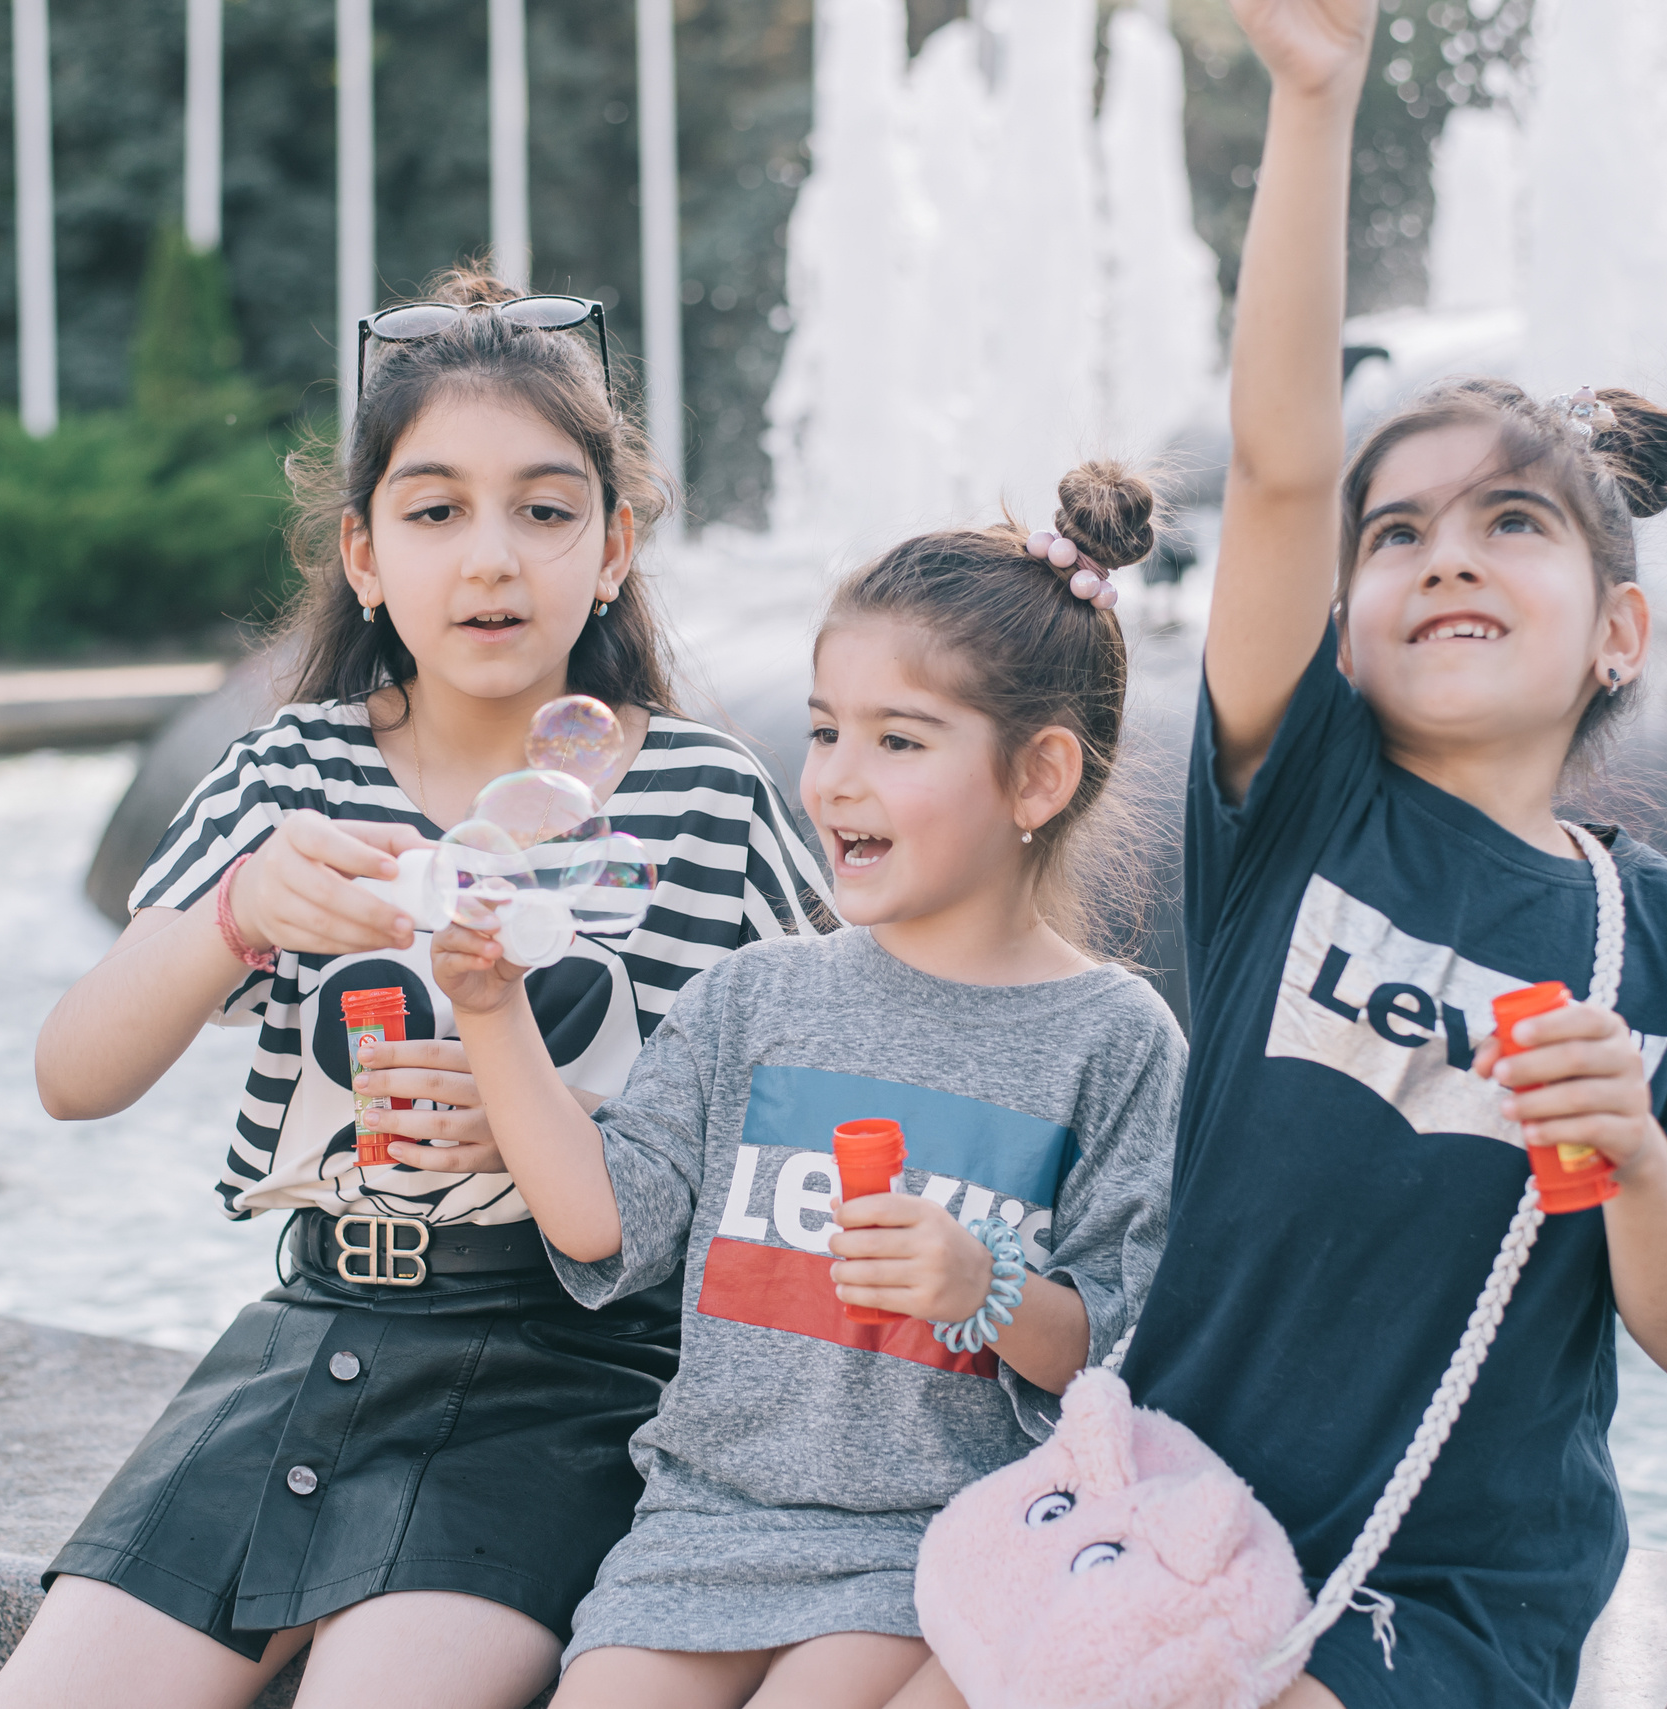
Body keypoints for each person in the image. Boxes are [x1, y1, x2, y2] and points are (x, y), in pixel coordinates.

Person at [0, 269, 832, 1709]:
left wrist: (552, 1129)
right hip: (309, 1344)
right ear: (363, 555)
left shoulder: (704, 797)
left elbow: (807, 1131)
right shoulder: (284, 775)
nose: (489, 558)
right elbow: (74, 1073)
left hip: (570, 1381)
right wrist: (236, 914)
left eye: (545, 509)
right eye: (434, 510)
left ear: (617, 546)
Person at [1105, 4, 1667, 1707]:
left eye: (1511, 523)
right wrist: (1315, 102)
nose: (1443, 556)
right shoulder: (1305, 803)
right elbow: (1276, 473)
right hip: (1176, 1514)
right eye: (1396, 531)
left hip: (1441, 1585)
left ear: (1615, 628)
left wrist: (1628, 1146)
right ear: (1339, 629)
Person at [431, 465, 1188, 1709]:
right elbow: (599, 1219)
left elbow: (1122, 1350)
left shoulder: (1111, 1038)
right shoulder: (755, 997)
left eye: (898, 739)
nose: (834, 775)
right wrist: (491, 1009)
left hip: (924, 1547)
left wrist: (984, 1285)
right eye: (827, 726)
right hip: (699, 1533)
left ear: (1038, 777)